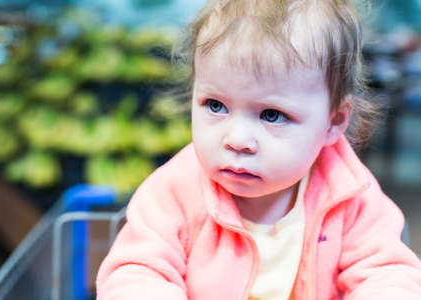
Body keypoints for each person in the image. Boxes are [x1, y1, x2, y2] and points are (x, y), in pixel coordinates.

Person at [96, 1, 421, 299]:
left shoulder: (350, 195)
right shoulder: (173, 193)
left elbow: (387, 274)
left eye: (271, 115)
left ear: (333, 121)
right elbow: (136, 272)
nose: (236, 139)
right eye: (215, 105)